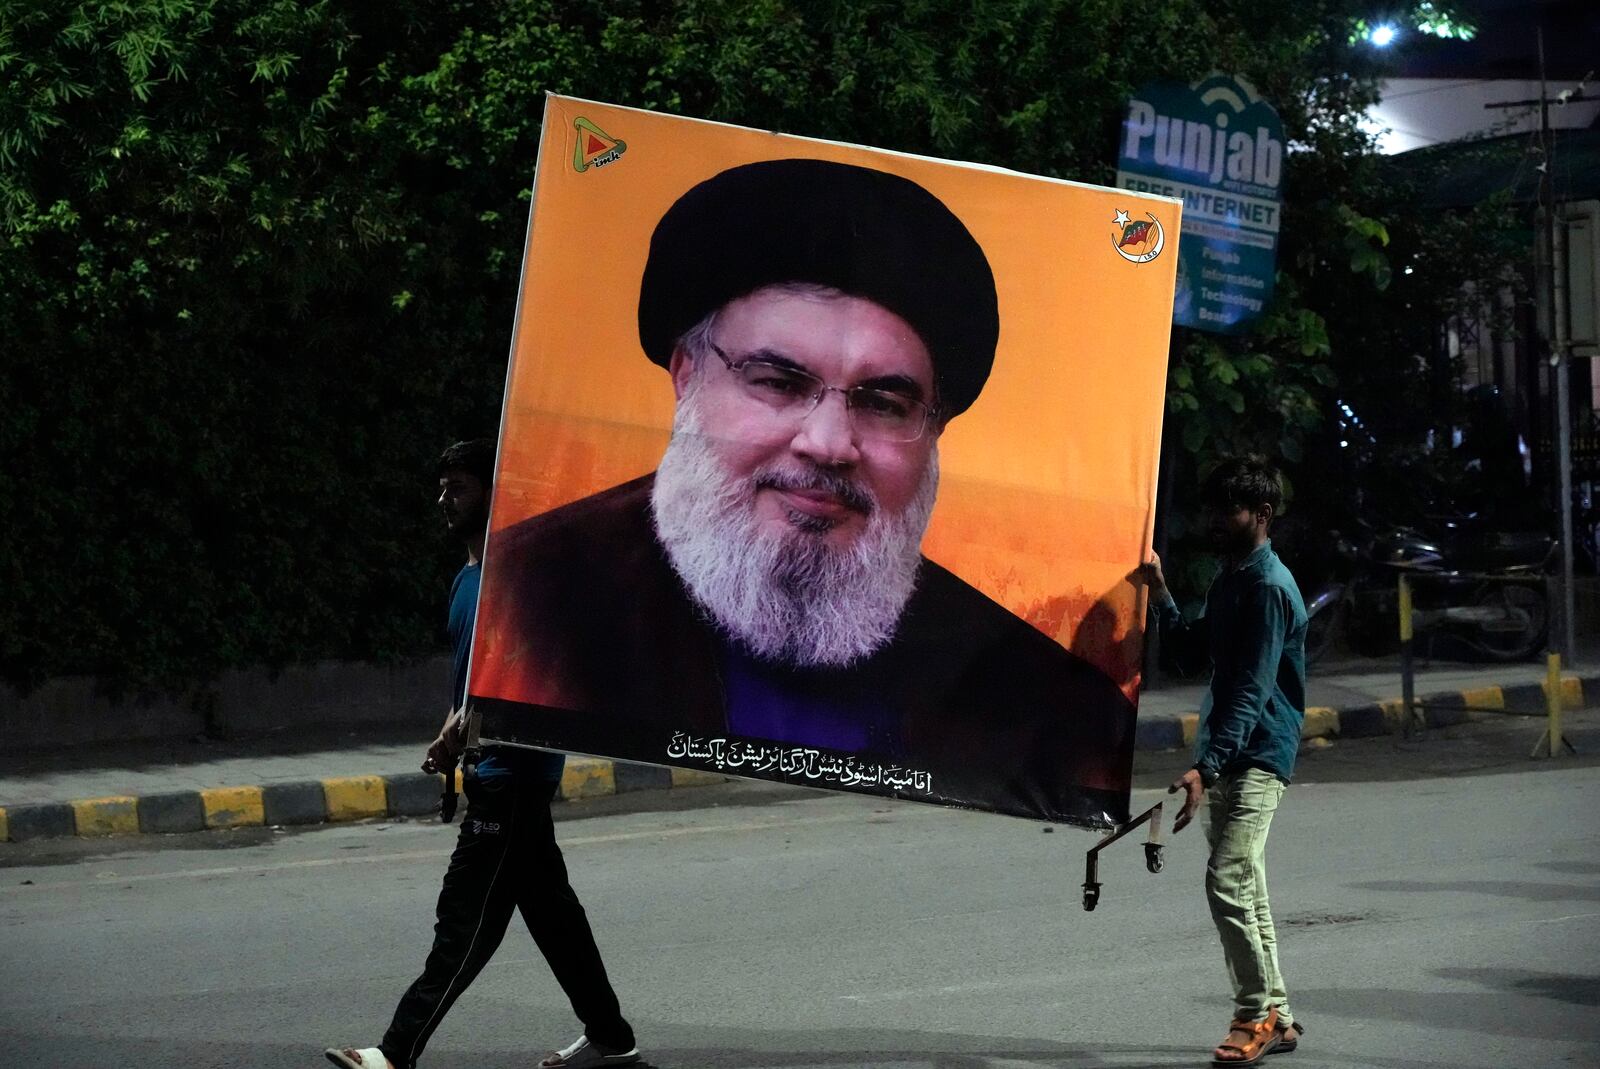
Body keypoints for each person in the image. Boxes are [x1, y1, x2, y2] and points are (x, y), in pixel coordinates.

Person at [469, 158, 1136, 826]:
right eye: (778, 382)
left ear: (933, 429)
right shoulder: (529, 601)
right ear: (687, 375)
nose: (828, 442)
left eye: (884, 403)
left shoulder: (1037, 699)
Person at [326, 440, 640, 1069]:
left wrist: (473, 728)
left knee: (462, 923)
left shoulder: (519, 579)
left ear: (494, 495)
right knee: (555, 920)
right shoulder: (466, 582)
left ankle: (394, 1052)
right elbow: (472, 687)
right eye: (441, 488)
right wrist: (450, 734)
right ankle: (612, 1037)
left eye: (459, 488)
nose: (445, 500)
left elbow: (538, 674)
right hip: (490, 771)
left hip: (514, 775)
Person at [1134, 456, 1307, 1066]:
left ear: (1261, 516)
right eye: (1211, 508)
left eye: (1226, 510)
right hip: (1231, 749)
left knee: (1226, 882)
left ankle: (1252, 1013)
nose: (1214, 519)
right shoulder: (1231, 578)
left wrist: (1207, 767)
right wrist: (1160, 594)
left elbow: (1252, 690)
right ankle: (1277, 1017)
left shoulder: (1267, 588)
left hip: (1257, 754)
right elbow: (1190, 653)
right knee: (1247, 886)